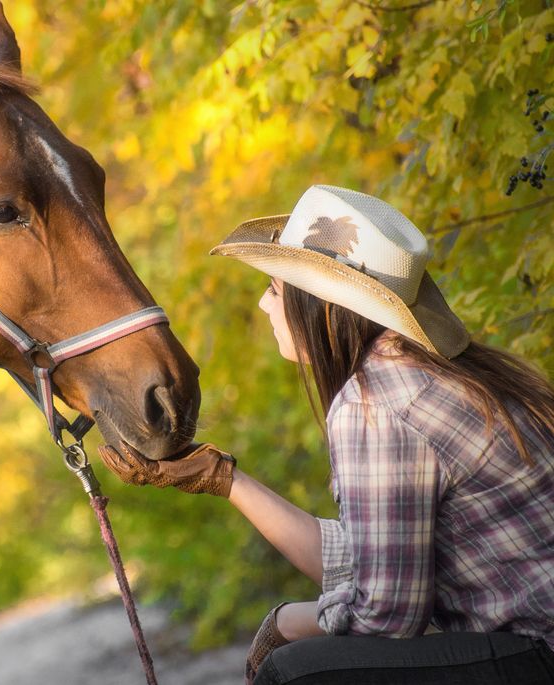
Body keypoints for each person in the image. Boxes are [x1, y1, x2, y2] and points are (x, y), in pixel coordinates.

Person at [98, 185, 554, 684]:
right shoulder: (416, 371)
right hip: (528, 641)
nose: (262, 303)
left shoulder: (375, 403)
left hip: (538, 650)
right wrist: (224, 480)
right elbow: (374, 556)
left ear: (320, 305)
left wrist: (289, 621)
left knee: (295, 673)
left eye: (275, 289)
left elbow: (388, 617)